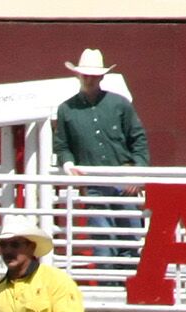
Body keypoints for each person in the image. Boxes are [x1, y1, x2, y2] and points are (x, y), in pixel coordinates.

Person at [53, 49, 149, 265]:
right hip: (93, 182)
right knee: (103, 245)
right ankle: (110, 287)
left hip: (123, 181)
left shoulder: (120, 104)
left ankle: (124, 289)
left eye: (93, 76)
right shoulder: (67, 110)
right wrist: (68, 164)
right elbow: (61, 145)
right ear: (78, 76)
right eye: (85, 75)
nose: (89, 79)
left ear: (101, 77)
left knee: (130, 242)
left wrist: (136, 172)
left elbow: (138, 139)